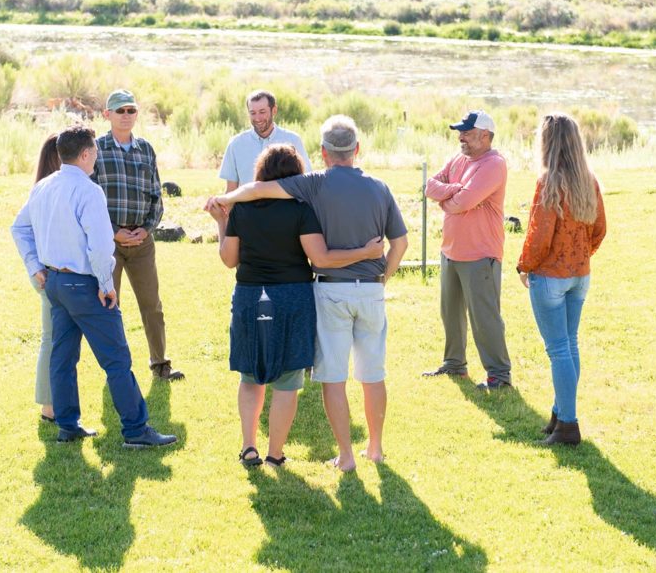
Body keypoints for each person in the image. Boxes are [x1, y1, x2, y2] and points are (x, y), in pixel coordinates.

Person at [208, 115, 408, 472]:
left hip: (294, 292)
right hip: (339, 293)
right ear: (356, 149)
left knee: (313, 376)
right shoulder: (360, 192)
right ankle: (364, 449)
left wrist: (225, 202)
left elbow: (251, 206)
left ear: (324, 153)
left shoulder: (308, 187)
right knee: (361, 374)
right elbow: (392, 244)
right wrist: (379, 272)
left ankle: (332, 454)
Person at [12, 124, 177, 448]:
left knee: (62, 357)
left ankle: (68, 424)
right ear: (86, 154)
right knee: (116, 359)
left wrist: (35, 266)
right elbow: (100, 246)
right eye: (95, 153)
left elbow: (19, 228)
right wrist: (106, 284)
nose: (97, 157)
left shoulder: (43, 187)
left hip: (54, 282)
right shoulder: (89, 191)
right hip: (83, 284)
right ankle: (136, 429)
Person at [516, 113, 606, 446]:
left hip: (552, 277)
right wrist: (581, 254)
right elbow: (600, 229)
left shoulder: (549, 181)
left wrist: (524, 265)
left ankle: (568, 424)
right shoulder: (589, 179)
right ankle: (559, 413)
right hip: (579, 277)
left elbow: (540, 237)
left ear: (548, 143)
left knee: (559, 350)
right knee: (569, 345)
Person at [94, 89, 184, 381]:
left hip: (142, 242)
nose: (126, 115)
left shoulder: (146, 149)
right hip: (109, 243)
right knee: (109, 304)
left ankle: (160, 365)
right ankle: (115, 369)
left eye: (131, 110)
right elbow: (89, 202)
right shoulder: (95, 150)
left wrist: (146, 229)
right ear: (107, 115)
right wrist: (114, 233)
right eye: (119, 111)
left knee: (152, 305)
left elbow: (156, 195)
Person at [423, 110, 512, 390]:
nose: (460, 137)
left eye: (467, 132)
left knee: (484, 317)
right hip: (451, 251)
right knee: (450, 313)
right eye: (460, 132)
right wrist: (455, 191)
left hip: (480, 255)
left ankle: (499, 375)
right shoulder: (458, 159)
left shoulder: (493, 164)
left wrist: (449, 198)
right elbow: (430, 186)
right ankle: (454, 364)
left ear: (484, 136)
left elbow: (462, 203)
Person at [218, 89, 311, 192]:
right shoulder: (235, 144)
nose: (257, 118)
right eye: (253, 113)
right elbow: (231, 190)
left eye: (262, 112)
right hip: (248, 208)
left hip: (284, 207)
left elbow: (305, 182)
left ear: (274, 110)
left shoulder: (293, 140)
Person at [31, 133, 60, 424]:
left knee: (54, 339)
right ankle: (50, 407)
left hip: (47, 273)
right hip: (49, 275)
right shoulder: (48, 190)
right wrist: (35, 266)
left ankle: (53, 405)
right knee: (52, 339)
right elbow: (20, 228)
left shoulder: (42, 189)